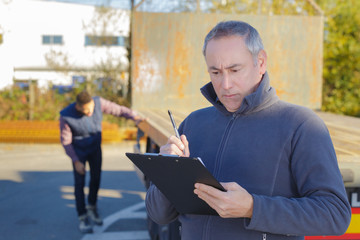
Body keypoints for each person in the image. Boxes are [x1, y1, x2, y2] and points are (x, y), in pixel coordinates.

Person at [145, 21, 351, 239]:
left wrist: (253, 208)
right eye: (215, 72)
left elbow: (335, 215)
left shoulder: (301, 125)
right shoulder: (193, 124)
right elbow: (159, 215)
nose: (225, 84)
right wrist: (167, 169)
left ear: (260, 62)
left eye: (235, 70)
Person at [60, 90, 143, 233]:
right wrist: (76, 161)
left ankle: (92, 207)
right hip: (78, 151)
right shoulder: (66, 116)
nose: (90, 112)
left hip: (95, 149)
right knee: (79, 184)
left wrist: (133, 115)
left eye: (91, 108)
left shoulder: (98, 103)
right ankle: (82, 216)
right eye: (86, 110)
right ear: (78, 107)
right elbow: (66, 142)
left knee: (96, 178)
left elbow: (117, 110)